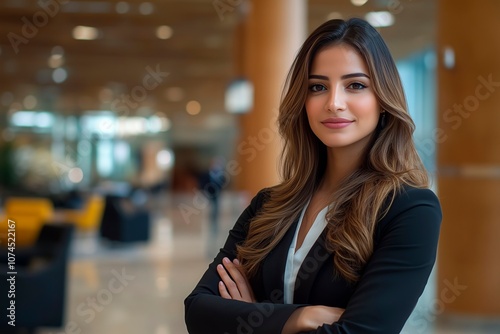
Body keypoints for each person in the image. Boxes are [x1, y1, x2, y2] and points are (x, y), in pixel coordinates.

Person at [184, 17, 442, 334]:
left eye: (356, 85)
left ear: (383, 101)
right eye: (317, 87)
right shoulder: (269, 204)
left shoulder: (411, 209)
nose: (334, 103)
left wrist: (255, 317)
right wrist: (299, 318)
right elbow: (198, 310)